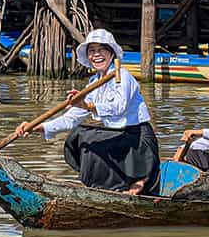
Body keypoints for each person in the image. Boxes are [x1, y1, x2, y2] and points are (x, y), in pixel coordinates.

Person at [16, 29, 159, 195]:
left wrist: (87, 106)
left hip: (138, 141)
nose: (96, 55)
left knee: (88, 136)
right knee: (79, 137)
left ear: (111, 53)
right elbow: (71, 119)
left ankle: (139, 179)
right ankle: (107, 187)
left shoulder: (124, 76)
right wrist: (36, 127)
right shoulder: (93, 83)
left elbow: (119, 107)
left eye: (101, 50)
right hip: (118, 138)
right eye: (92, 51)